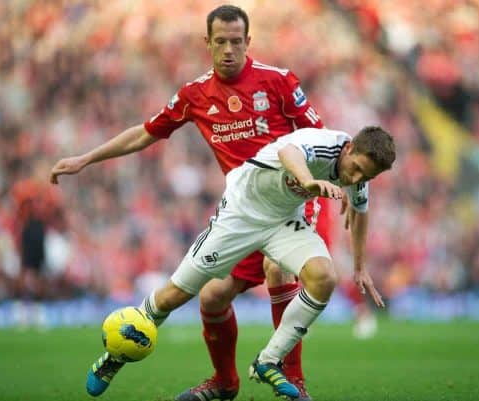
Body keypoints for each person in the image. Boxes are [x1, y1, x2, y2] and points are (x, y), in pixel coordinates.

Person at [50, 5, 326, 400]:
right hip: (245, 213)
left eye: (236, 42)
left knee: (277, 270)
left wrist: (345, 186)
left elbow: (326, 138)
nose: (229, 49)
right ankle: (223, 382)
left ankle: (293, 382)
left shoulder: (279, 82)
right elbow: (145, 133)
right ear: (207, 43)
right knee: (210, 296)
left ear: (248, 42)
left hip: (291, 205)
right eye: (221, 42)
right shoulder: (195, 94)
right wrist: (86, 158)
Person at [111, 126, 394, 400]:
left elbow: (360, 212)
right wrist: (309, 181)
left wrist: (359, 267)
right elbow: (288, 153)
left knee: (324, 277)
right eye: (355, 168)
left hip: (283, 221)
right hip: (243, 212)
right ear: (349, 148)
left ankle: (269, 361)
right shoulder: (322, 143)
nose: (355, 177)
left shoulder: (359, 175)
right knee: (178, 292)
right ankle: (115, 355)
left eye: (365, 175)